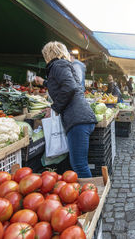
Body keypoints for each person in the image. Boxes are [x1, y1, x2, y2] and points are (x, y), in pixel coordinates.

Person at [35, 41, 97, 178]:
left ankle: (92, 196)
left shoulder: (57, 65)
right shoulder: (62, 65)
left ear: (48, 54)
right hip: (80, 118)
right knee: (77, 164)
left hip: (78, 120)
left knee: (79, 165)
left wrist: (54, 108)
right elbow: (64, 84)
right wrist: (44, 82)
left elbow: (70, 87)